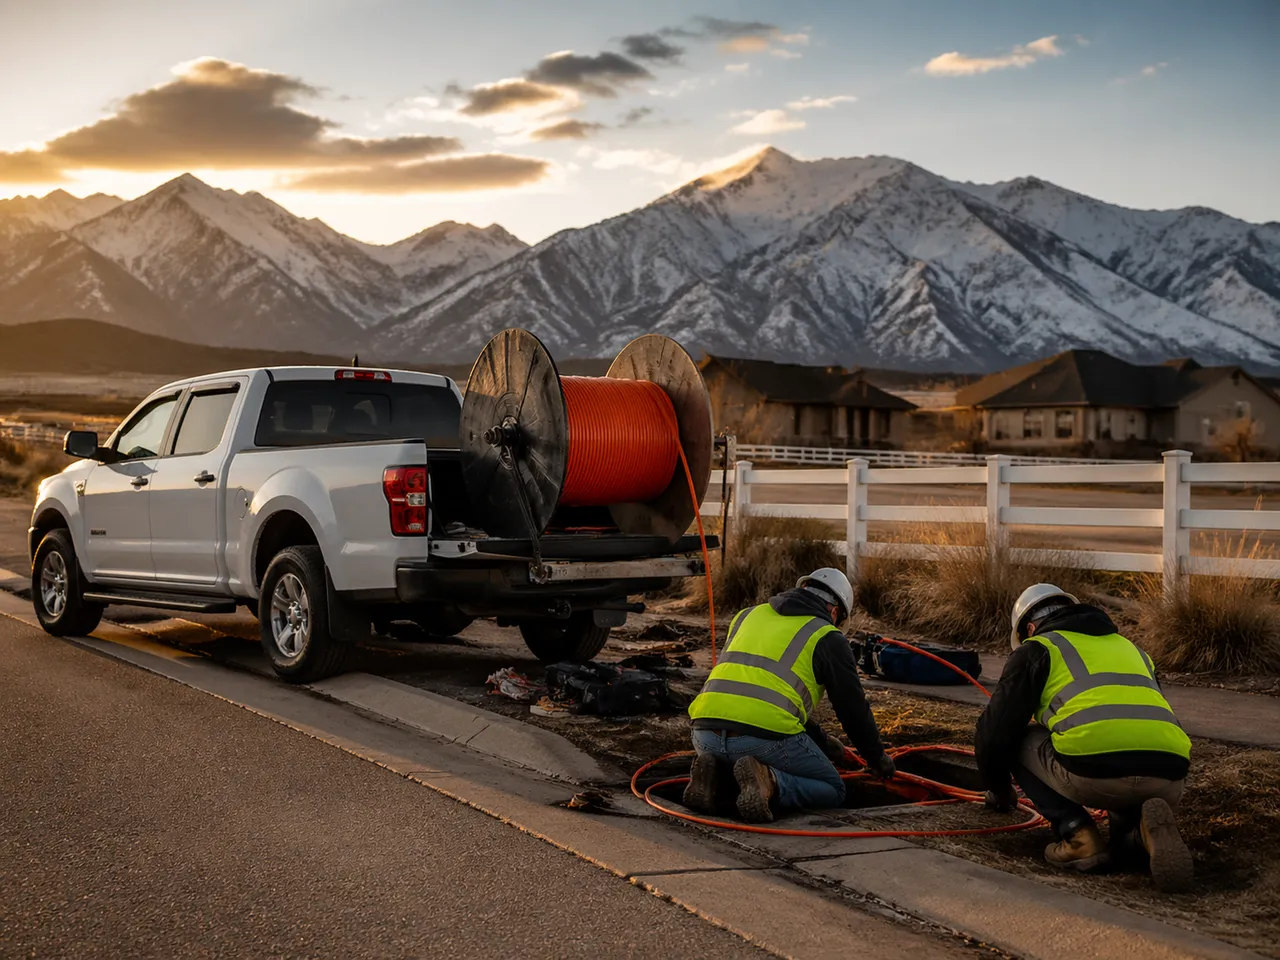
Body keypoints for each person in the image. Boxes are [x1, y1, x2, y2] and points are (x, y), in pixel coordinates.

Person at [976, 583, 1194, 892]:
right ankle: (1138, 831)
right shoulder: (1133, 650)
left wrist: (999, 791)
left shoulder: (1039, 648)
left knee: (1020, 736)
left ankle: (1078, 834)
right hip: (1169, 778)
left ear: (1030, 627)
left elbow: (995, 734)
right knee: (1123, 737)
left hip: (1094, 774)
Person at [683, 567, 895, 823]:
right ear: (835, 611)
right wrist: (876, 758)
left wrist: (825, 744)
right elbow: (852, 709)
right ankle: (770, 783)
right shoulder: (827, 636)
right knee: (834, 788)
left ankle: (716, 778)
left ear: (802, 589)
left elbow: (768, 694)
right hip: (762, 740)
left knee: (741, 758)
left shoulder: (747, 616)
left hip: (703, 735)